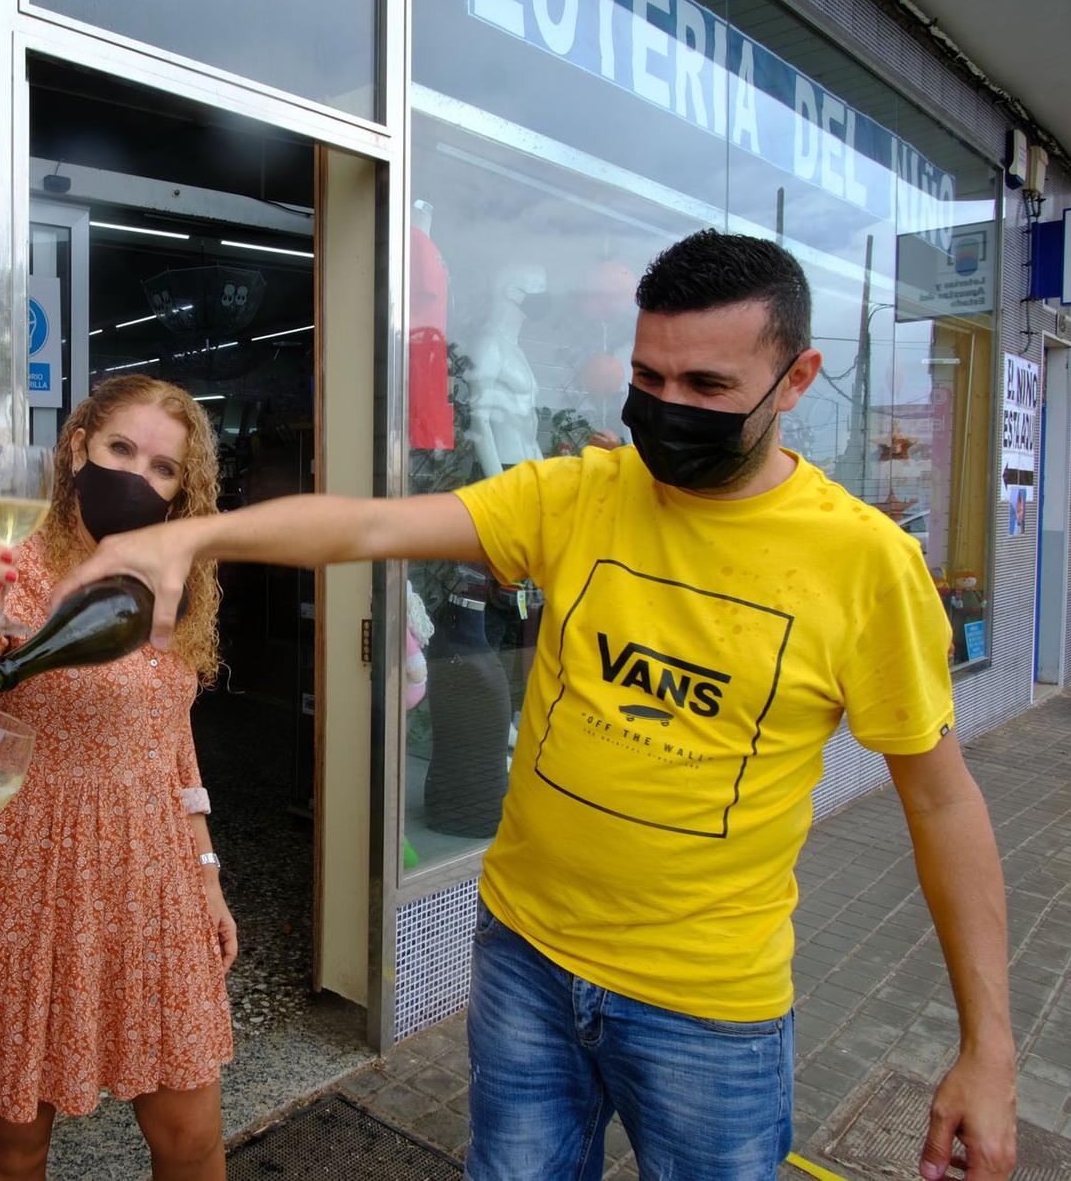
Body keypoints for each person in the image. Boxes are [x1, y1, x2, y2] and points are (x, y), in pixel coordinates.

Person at [60, 232, 1019, 1181]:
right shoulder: (583, 494)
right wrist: (194, 540)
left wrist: (990, 1047)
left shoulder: (865, 566)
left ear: (798, 379)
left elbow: (941, 802)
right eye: (650, 378)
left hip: (709, 1008)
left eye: (708, 387)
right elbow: (366, 523)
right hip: (524, 959)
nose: (668, 408)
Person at [0, 374, 237, 1181]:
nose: (138, 477)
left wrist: (208, 874)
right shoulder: (19, 561)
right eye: (121, 449)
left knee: (191, 1130)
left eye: (162, 469)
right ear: (78, 445)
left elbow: (173, 742)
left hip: (153, 871)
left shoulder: (174, 574)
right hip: (30, 874)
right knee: (17, 1142)